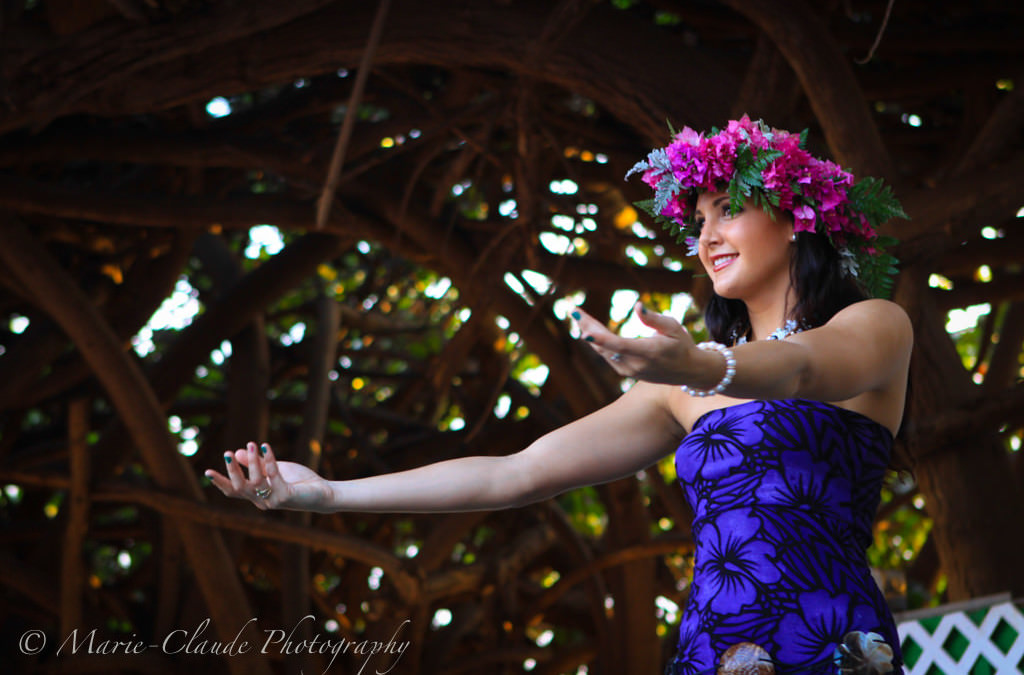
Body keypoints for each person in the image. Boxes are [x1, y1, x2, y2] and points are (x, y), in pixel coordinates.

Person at [205, 117, 912, 674]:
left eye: (726, 210)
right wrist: (328, 493)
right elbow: (517, 471)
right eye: (696, 220)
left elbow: (799, 371)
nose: (706, 236)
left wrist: (699, 361)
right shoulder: (680, 390)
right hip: (715, 653)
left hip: (831, 645)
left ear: (796, 218)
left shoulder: (874, 326)